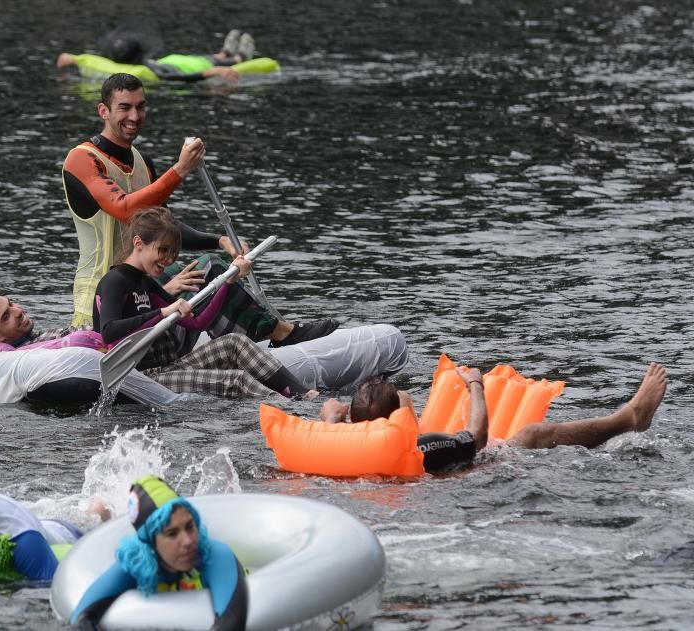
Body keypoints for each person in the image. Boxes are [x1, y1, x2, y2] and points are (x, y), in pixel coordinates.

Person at [61, 72, 337, 347]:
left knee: (206, 270)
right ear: (103, 111)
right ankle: (279, 334)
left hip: (145, 289)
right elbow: (124, 210)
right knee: (209, 269)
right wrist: (180, 170)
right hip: (102, 305)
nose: (134, 116)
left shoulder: (142, 162)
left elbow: (164, 230)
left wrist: (219, 240)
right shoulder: (82, 159)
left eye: (141, 106)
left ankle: (261, 338)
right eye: (124, 107)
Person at [94, 207, 317, 399]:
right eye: (162, 250)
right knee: (236, 380)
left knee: (235, 343)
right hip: (138, 377)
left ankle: (303, 395)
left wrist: (228, 283)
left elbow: (198, 323)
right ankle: (289, 410)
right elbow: (109, 332)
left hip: (166, 369)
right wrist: (163, 312)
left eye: (173, 253)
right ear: (138, 243)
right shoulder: (115, 281)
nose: (168, 260)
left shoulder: (146, 284)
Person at [319, 362, 668, 473]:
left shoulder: (345, 440)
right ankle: (629, 418)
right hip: (472, 472)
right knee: (532, 435)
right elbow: (477, 437)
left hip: (398, 482)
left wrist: (331, 421)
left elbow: (396, 405)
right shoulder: (420, 447)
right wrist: (475, 386)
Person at [70, 475, 248, 630]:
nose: (187, 541)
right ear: (150, 544)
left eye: (189, 526)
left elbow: (231, 623)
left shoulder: (215, 556)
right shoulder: (136, 563)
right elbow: (81, 620)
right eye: (172, 534)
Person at [56, 29, 259, 82]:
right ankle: (224, 52)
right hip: (173, 60)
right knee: (207, 57)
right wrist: (73, 58)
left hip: (179, 67)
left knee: (211, 60)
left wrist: (214, 72)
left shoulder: (150, 70)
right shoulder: (143, 64)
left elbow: (175, 78)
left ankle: (239, 56)